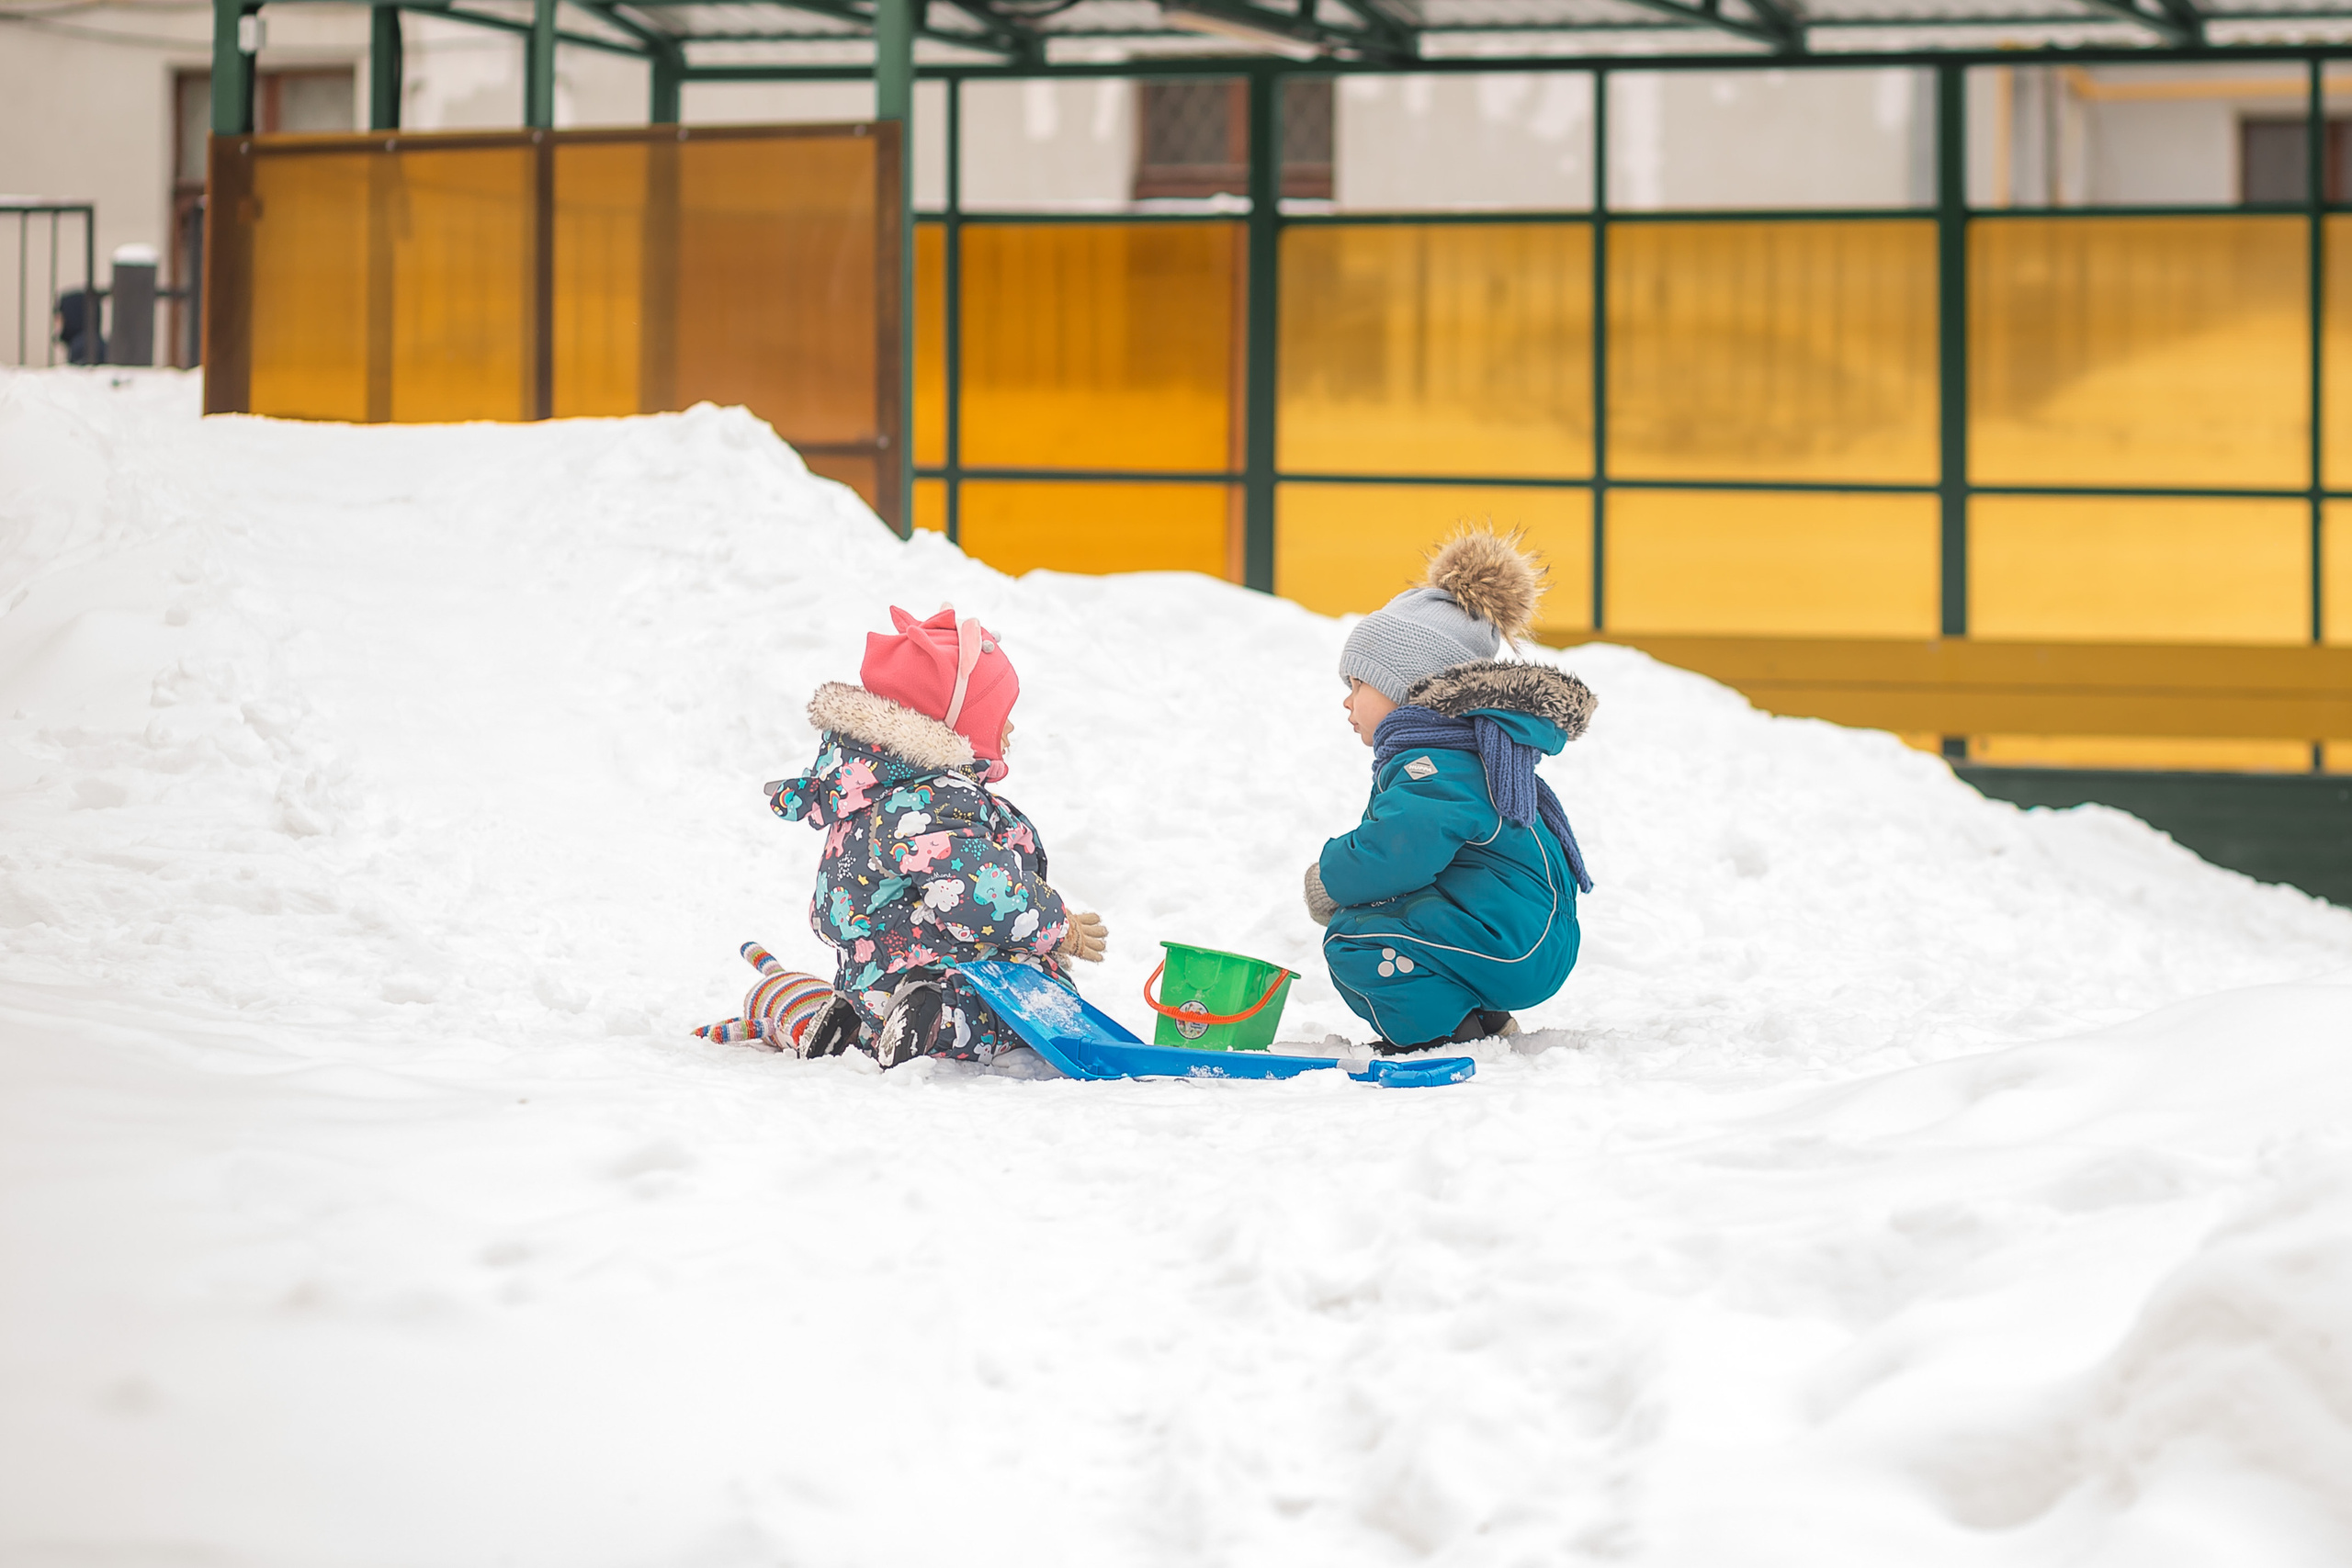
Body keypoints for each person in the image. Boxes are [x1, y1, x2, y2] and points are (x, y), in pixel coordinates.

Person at [763, 604, 1109, 1067]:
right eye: (1001, 714)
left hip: (868, 977)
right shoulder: (939, 799)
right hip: (947, 972)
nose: (1009, 728)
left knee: (879, 1009)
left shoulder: (862, 796)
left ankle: (851, 1020)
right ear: (960, 723)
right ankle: (937, 1022)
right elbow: (982, 895)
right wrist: (1058, 927)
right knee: (1029, 1008)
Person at [1304, 531, 1596, 1054]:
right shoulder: (1465, 752)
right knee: (1398, 915)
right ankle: (1483, 1021)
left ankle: (1439, 1038)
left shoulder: (1435, 764)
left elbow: (1395, 852)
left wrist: (1328, 879)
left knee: (1354, 939)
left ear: (1406, 685)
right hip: (1519, 936)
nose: (1347, 704)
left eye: (1358, 685)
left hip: (1515, 940)